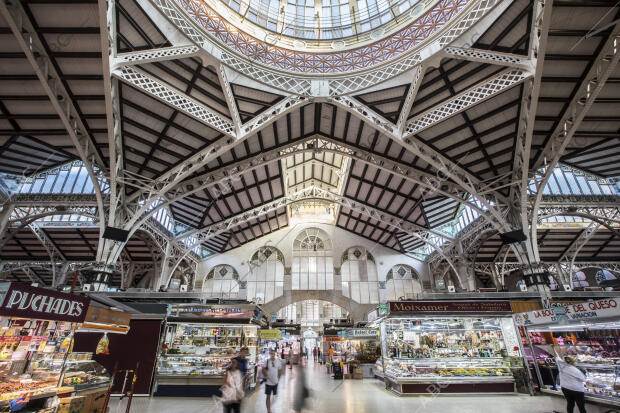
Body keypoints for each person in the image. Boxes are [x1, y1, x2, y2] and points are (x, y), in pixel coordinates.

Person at [554, 347, 587, 413]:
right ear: (573, 362)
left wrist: (553, 348)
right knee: (581, 406)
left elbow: (557, 356)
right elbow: (584, 379)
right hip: (576, 390)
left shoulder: (561, 364)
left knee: (570, 404)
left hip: (565, 388)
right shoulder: (576, 370)